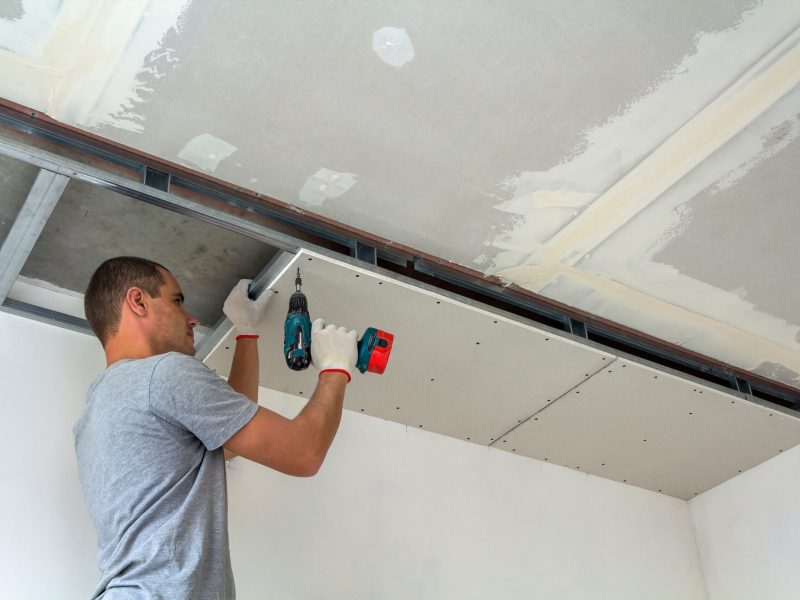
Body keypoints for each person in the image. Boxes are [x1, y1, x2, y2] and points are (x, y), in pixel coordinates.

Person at [73, 256, 357, 599]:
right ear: (138, 301)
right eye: (177, 301)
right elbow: (303, 453)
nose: (191, 318)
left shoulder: (97, 411)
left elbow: (228, 440)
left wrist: (247, 333)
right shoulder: (164, 373)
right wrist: (336, 369)